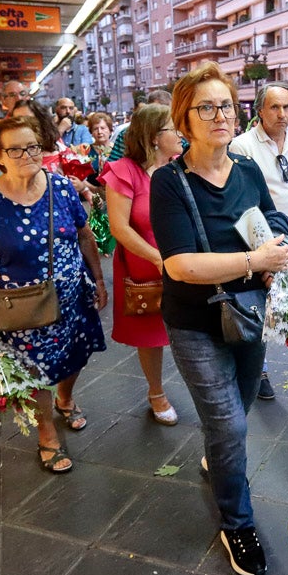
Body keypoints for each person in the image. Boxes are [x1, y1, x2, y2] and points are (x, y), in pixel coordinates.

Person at [149, 61, 288, 575]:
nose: (219, 115)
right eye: (204, 107)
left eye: (225, 105)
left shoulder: (249, 171)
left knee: (236, 416)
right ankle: (239, 523)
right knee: (229, 424)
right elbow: (180, 265)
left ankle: (219, 457)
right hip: (195, 321)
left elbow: (262, 229)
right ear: (183, 121)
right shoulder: (168, 183)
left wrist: (275, 259)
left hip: (250, 314)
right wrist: (257, 263)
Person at [0, 116, 108, 473]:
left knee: (76, 355)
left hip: (73, 296)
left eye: (32, 146)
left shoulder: (61, 188)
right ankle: (47, 434)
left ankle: (66, 398)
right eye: (15, 149)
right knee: (33, 373)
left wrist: (99, 282)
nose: (26, 154)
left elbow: (85, 236)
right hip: (24, 309)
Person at [229, 81, 288, 400]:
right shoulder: (242, 146)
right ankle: (260, 370)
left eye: (287, 107)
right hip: (258, 244)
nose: (282, 114)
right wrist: (267, 247)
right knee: (262, 308)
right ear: (261, 111)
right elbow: (241, 203)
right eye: (275, 107)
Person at [100, 103, 183, 426]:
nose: (181, 135)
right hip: (144, 263)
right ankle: (156, 391)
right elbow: (119, 227)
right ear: (153, 137)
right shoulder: (124, 171)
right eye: (174, 129)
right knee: (151, 333)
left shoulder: (180, 167)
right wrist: (156, 258)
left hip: (183, 258)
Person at [114, 90, 172, 160]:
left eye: (167, 112)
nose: (162, 117)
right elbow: (114, 163)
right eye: (157, 112)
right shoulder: (127, 133)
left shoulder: (178, 133)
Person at [86, 111, 120, 182]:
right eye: (95, 129)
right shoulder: (86, 151)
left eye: (103, 128)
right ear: (91, 132)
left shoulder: (118, 149)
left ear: (110, 131)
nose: (99, 132)